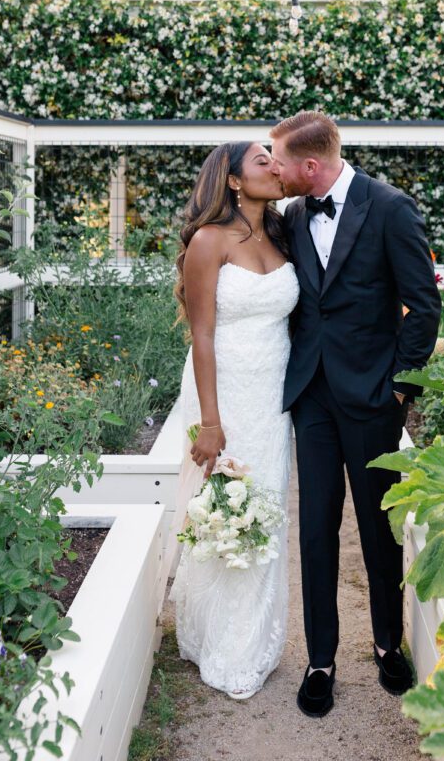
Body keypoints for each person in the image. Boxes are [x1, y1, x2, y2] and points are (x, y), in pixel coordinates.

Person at [269, 111, 441, 718]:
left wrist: (397, 390)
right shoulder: (289, 216)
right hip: (311, 397)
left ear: (309, 166)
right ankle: (321, 659)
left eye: (279, 161)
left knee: (377, 529)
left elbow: (424, 306)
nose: (274, 169)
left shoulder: (390, 208)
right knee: (315, 528)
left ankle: (388, 644)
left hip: (373, 401)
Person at [169, 141, 299, 699]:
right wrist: (211, 424)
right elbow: (201, 334)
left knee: (268, 510)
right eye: (262, 162)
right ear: (234, 182)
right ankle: (225, 641)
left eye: (276, 158)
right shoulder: (208, 241)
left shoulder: (283, 232)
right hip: (224, 395)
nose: (275, 166)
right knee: (229, 510)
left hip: (275, 399)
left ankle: (258, 635)